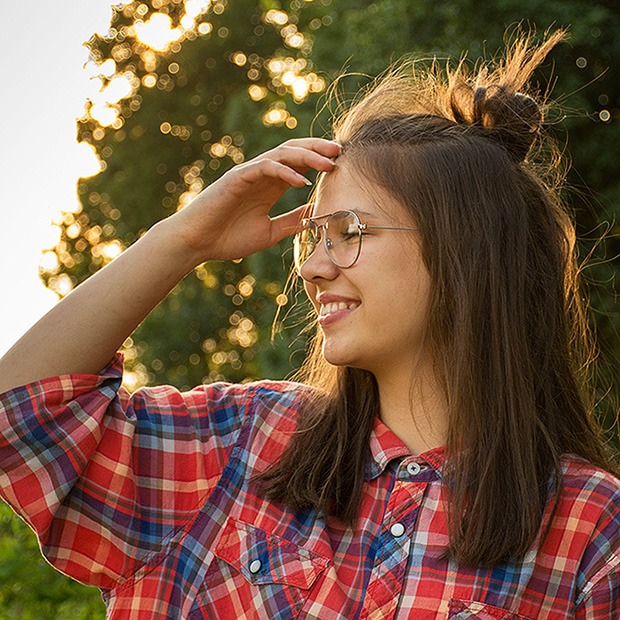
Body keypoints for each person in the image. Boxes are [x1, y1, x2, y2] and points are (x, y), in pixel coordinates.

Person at [0, 30, 618, 620]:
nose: (314, 268)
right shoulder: (240, 442)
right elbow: (18, 418)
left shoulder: (589, 529)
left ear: (466, 252)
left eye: (350, 232)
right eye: (313, 238)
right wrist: (183, 239)